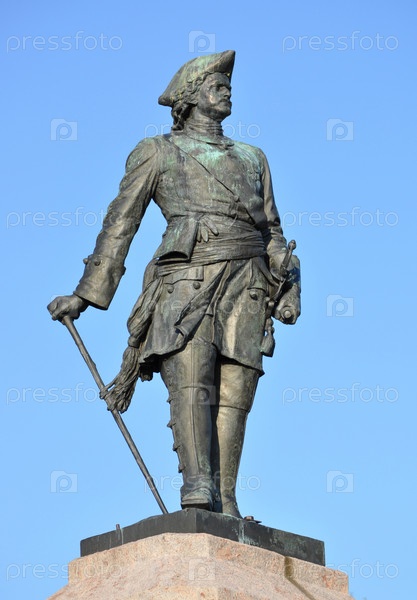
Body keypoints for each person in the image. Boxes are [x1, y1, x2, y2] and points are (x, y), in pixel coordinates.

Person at [48, 50, 301, 518]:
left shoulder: (253, 158)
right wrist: (86, 294)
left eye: (227, 84)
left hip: (247, 285)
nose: (226, 90)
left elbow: (272, 230)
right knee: (193, 381)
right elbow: (121, 223)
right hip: (186, 282)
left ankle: (227, 499)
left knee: (236, 390)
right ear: (189, 96)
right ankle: (197, 487)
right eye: (215, 84)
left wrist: (287, 282)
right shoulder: (158, 151)